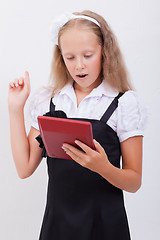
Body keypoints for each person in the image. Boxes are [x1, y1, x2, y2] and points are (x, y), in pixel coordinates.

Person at [8, 10, 147, 240]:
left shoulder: (123, 103)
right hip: (58, 226)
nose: (79, 65)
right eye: (70, 57)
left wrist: (103, 167)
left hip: (105, 227)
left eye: (88, 55)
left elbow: (134, 182)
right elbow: (24, 169)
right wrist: (15, 109)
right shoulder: (49, 101)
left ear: (105, 52)